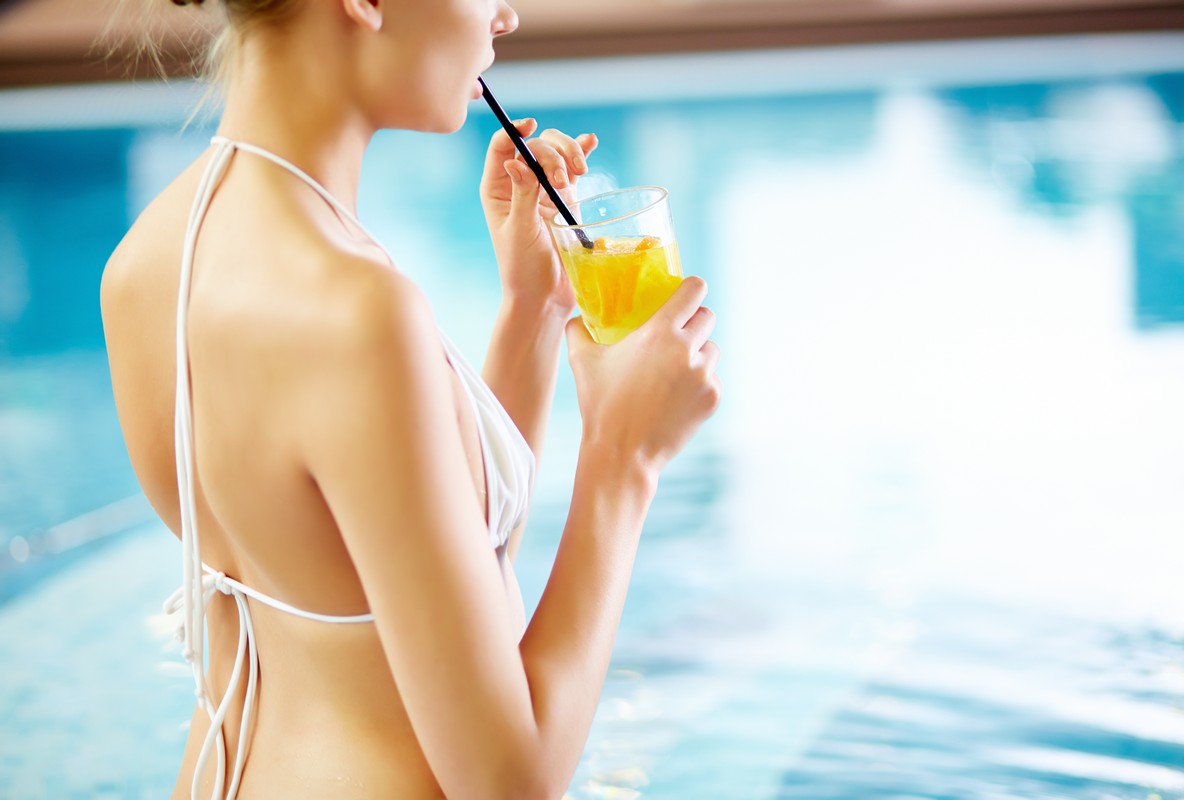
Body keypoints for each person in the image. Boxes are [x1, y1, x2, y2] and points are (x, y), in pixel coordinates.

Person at [100, 0, 721, 797]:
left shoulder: (148, 263)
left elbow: (433, 570)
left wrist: (532, 310)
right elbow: (508, 783)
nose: (506, 15)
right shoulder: (356, 309)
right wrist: (625, 456)